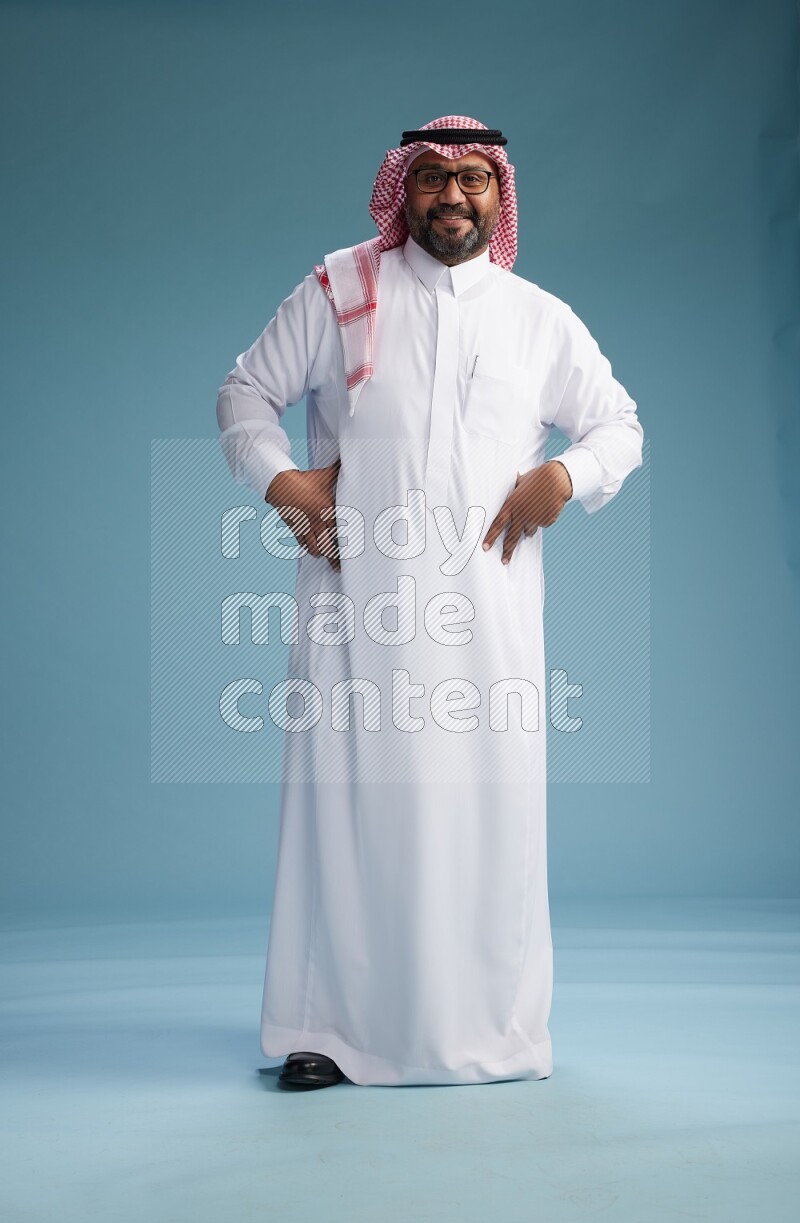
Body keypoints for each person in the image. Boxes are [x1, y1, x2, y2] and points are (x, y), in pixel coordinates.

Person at [216, 115, 644, 1090]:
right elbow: (243, 396)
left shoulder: (536, 316)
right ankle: (327, 1030)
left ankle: (491, 1030)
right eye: (432, 180)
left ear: (499, 195)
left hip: (486, 627)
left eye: (472, 181)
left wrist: (564, 477)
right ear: (400, 189)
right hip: (354, 612)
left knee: (481, 819)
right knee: (350, 815)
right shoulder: (338, 290)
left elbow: (615, 425)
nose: (451, 197)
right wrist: (286, 486)